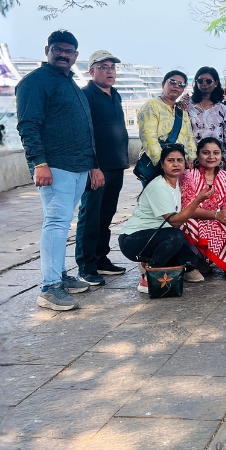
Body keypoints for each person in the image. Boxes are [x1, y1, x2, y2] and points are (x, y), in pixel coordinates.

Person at [16, 30, 97, 311]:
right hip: (55, 165)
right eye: (58, 49)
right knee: (56, 223)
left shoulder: (69, 81)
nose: (63, 54)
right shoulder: (35, 82)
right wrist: (39, 163)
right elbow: (28, 125)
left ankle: (60, 275)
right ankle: (49, 288)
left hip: (78, 165)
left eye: (69, 51)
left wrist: (91, 164)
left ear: (75, 55)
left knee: (63, 223)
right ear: (47, 50)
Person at [74, 49, 129, 286]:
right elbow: (84, 134)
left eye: (112, 67)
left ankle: (101, 258)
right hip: (97, 168)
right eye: (103, 67)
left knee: (106, 215)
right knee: (90, 216)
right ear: (91, 71)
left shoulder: (115, 94)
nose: (109, 71)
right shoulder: (86, 95)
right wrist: (93, 167)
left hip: (117, 165)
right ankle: (86, 265)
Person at [118, 144, 207, 292]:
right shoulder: (159, 186)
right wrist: (198, 200)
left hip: (156, 236)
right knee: (175, 236)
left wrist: (215, 214)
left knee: (190, 260)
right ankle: (150, 275)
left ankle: (149, 262)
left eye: (179, 160)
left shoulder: (177, 182)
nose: (176, 164)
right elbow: (174, 221)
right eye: (170, 160)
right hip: (132, 240)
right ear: (162, 164)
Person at [178, 137, 226, 280]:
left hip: (215, 221)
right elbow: (187, 209)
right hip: (191, 219)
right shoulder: (189, 175)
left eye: (216, 153)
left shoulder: (225, 176)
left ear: (222, 155)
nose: (211, 157)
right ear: (198, 155)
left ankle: (204, 261)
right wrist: (215, 215)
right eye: (206, 153)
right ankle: (191, 263)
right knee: (190, 225)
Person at [137, 69, 197, 181]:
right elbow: (148, 137)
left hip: (180, 167)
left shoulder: (181, 111)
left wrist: (191, 158)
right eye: (172, 82)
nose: (176, 86)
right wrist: (163, 163)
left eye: (181, 84)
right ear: (163, 84)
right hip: (158, 167)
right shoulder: (152, 105)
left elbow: (189, 137)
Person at [186, 67, 226, 172]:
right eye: (200, 81)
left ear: (216, 83)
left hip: (217, 157)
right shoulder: (188, 103)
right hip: (193, 156)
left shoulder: (223, 104)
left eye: (208, 81)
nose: (204, 84)